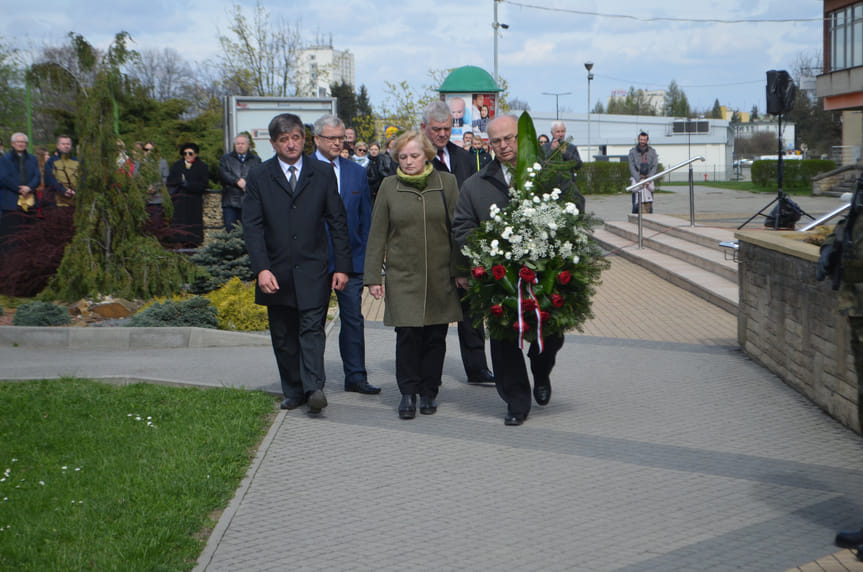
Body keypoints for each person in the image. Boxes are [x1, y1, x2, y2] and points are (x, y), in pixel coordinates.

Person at [452, 115, 566, 426]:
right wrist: (489, 249)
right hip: (499, 279)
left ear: (521, 137)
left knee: (552, 335)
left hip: (545, 272)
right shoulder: (475, 185)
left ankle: (540, 370)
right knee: (503, 341)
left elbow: (575, 205)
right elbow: (462, 226)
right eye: (497, 141)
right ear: (489, 144)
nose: (504, 145)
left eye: (510, 138)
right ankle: (516, 401)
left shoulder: (547, 174)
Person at [243, 112, 352, 414]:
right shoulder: (259, 176)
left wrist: (342, 266)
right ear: (274, 143)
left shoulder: (322, 172)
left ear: (304, 139)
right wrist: (261, 268)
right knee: (284, 335)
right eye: (283, 140)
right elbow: (252, 226)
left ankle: (314, 388)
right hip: (275, 272)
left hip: (313, 269)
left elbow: (337, 221)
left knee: (312, 329)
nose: (290, 145)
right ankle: (293, 390)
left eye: (295, 138)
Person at [364, 130, 463, 419]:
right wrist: (372, 277)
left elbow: (458, 231)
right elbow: (377, 233)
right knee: (407, 334)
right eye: (403, 157)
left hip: (440, 277)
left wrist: (461, 271)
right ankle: (407, 393)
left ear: (427, 156)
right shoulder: (388, 186)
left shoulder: (447, 183)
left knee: (435, 336)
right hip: (403, 276)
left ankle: (429, 391)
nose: (408, 162)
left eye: (414, 155)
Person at [421, 100, 493, 386]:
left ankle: (477, 369)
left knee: (472, 314)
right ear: (424, 128)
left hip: (464, 247)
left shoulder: (463, 158)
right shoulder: (415, 160)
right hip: (432, 251)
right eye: (436, 129)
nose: (441, 134)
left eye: (446, 129)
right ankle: (428, 377)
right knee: (434, 322)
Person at [311, 114, 379, 396]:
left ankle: (356, 376)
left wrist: (364, 262)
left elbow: (365, 219)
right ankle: (313, 381)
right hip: (314, 262)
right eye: (331, 138)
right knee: (313, 323)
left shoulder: (356, 172)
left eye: (341, 138)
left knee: (353, 319)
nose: (338, 143)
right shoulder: (304, 170)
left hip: (349, 261)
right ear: (316, 139)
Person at [166, 143, 209, 247]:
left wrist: (189, 185)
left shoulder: (202, 166)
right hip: (179, 201)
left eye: (190, 153)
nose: (187, 156)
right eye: (185, 153)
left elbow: (203, 184)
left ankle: (194, 243)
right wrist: (180, 182)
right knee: (179, 224)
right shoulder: (177, 166)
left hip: (194, 201)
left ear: (195, 154)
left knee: (193, 225)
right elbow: (170, 181)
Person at [0, 133, 40, 240]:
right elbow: (3, 178)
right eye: (18, 142)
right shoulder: (4, 159)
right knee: (11, 235)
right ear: (13, 144)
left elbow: (37, 176)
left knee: (30, 233)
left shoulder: (33, 159)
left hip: (30, 200)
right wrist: (19, 189)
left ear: (26, 144)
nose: (20, 144)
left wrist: (29, 188)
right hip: (11, 202)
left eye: (23, 142)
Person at [219, 134, 261, 232]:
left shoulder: (255, 160)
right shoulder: (226, 159)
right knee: (230, 230)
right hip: (230, 201)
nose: (240, 146)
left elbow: (258, 175)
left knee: (249, 230)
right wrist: (236, 181)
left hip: (249, 201)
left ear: (248, 145)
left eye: (242, 143)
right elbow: (223, 173)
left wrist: (246, 182)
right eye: (238, 143)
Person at [541, 120, 584, 198]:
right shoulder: (544, 148)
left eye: (563, 131)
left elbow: (579, 164)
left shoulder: (571, 148)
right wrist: (551, 151)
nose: (560, 134)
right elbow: (540, 164)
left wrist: (566, 153)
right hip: (550, 188)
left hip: (568, 187)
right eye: (558, 132)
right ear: (552, 133)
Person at [43, 135, 79, 209]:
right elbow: (49, 180)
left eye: (68, 144)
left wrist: (76, 191)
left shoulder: (77, 161)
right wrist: (63, 190)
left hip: (76, 201)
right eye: (63, 144)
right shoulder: (51, 162)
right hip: (57, 202)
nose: (66, 146)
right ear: (57, 145)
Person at [628, 131, 658, 214]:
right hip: (637, 180)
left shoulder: (652, 152)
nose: (642, 141)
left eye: (644, 139)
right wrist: (639, 179)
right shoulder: (632, 152)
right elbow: (631, 166)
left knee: (649, 204)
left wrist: (649, 179)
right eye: (641, 139)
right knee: (635, 204)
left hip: (649, 179)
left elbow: (654, 166)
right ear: (638, 139)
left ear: (647, 140)